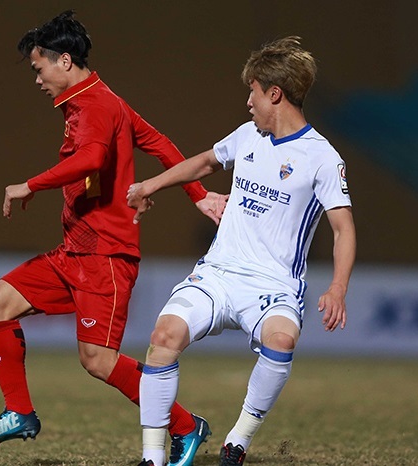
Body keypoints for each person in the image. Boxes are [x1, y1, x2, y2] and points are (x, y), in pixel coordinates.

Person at [0, 10, 228, 461]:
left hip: (105, 258)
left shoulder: (97, 106)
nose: (37, 79)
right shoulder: (102, 102)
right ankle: (19, 412)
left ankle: (188, 426)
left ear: (64, 61)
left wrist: (31, 184)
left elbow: (89, 159)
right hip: (74, 252)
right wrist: (199, 194)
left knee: (98, 362)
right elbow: (162, 143)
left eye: (39, 68)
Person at [128, 36, 356, 466]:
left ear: (275, 94)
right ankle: (152, 458)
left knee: (282, 340)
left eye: (252, 91)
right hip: (218, 273)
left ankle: (237, 442)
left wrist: (338, 287)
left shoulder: (323, 158)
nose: (248, 102)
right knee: (164, 336)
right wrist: (150, 185)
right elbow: (204, 162)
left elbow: (343, 228)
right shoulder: (248, 135)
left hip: (274, 286)